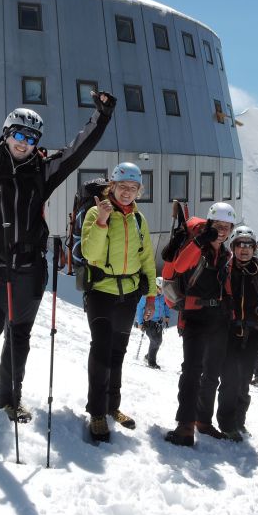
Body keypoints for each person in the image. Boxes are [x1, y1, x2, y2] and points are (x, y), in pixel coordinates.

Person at [0, 65, 116, 435]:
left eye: (32, 138)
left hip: (27, 269)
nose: (24, 142)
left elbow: (77, 152)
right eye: (18, 134)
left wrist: (101, 116)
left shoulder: (43, 172)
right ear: (7, 134)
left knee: (19, 337)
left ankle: (10, 397)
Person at [80, 162, 158, 443]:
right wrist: (101, 221)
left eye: (133, 188)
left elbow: (147, 258)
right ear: (111, 186)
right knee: (101, 350)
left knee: (118, 353)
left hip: (129, 294)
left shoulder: (138, 219)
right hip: (101, 291)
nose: (127, 193)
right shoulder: (95, 212)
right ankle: (97, 411)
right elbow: (90, 253)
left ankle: (113, 406)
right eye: (122, 187)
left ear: (139, 190)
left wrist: (150, 296)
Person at [163, 202, 236, 447]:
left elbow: (226, 285)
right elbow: (181, 266)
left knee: (212, 373)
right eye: (218, 225)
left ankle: (203, 421)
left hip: (218, 319)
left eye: (226, 227)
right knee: (192, 371)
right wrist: (199, 241)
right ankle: (185, 426)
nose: (222, 231)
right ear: (209, 224)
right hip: (194, 315)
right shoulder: (199, 247)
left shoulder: (225, 254)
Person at [214, 225, 258, 441]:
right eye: (240, 245)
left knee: (244, 381)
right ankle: (226, 423)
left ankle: (239, 421)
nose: (244, 249)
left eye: (249, 245)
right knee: (229, 380)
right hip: (228, 332)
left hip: (252, 333)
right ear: (233, 247)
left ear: (254, 248)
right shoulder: (224, 268)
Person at [136, 278, 168, 369]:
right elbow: (139, 308)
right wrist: (140, 322)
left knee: (159, 341)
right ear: (156, 287)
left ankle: (149, 356)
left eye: (163, 289)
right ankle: (151, 362)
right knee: (155, 341)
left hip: (158, 323)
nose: (162, 291)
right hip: (148, 322)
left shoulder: (162, 297)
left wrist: (167, 317)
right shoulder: (147, 295)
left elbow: (166, 306)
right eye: (161, 288)